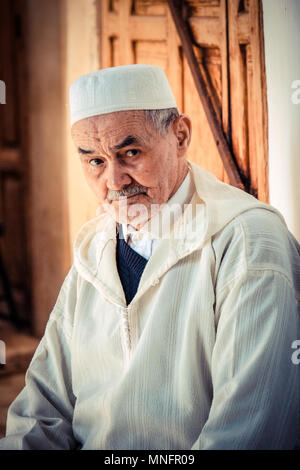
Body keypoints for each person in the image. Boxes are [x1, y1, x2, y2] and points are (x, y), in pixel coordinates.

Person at [0, 64, 299, 450]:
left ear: (180, 136)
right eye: (95, 161)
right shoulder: (96, 244)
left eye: (130, 152)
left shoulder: (248, 244)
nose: (114, 182)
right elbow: (43, 406)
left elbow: (248, 432)